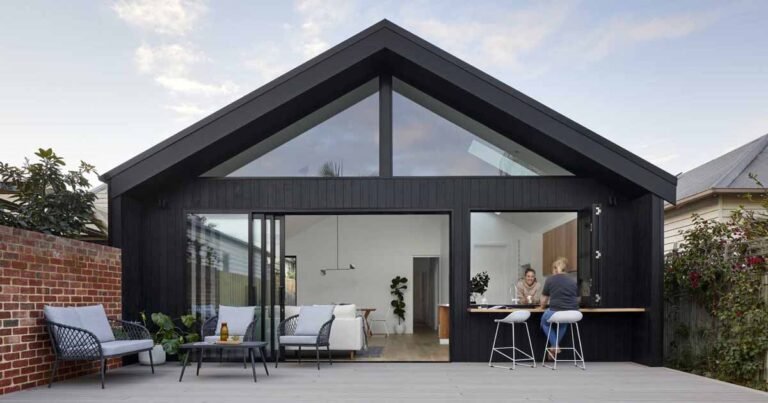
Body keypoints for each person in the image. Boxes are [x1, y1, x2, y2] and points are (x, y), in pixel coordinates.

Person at [539, 257, 578, 359]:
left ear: (556, 269)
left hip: (556, 311)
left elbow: (544, 300)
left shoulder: (550, 279)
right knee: (563, 323)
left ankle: (555, 346)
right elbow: (578, 298)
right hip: (573, 313)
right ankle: (553, 347)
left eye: (553, 269)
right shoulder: (573, 280)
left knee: (544, 322)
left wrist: (541, 307)